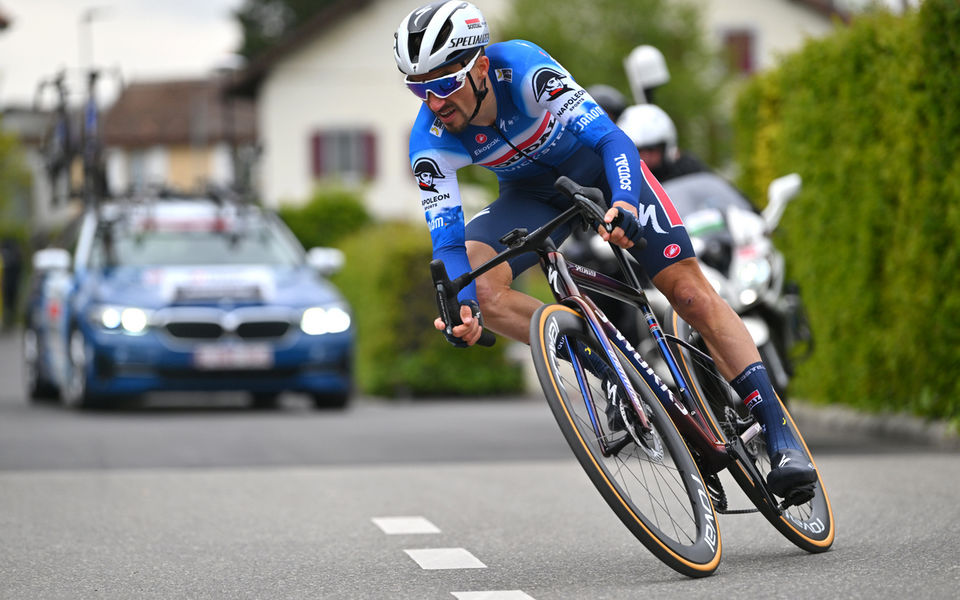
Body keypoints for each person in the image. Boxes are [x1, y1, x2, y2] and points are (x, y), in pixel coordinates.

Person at [394, 0, 815, 497]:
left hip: (601, 171)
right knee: (479, 287)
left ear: (481, 67)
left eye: (443, 84)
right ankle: (611, 370)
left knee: (691, 295)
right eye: (418, 88)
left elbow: (614, 142)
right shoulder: (430, 139)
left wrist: (625, 205)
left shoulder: (526, 70)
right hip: (530, 199)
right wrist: (461, 306)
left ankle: (778, 429)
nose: (433, 102)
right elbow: (445, 237)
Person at [616, 103, 711, 184]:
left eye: (652, 149)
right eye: (638, 150)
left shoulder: (689, 169)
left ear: (665, 147)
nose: (646, 157)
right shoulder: (620, 182)